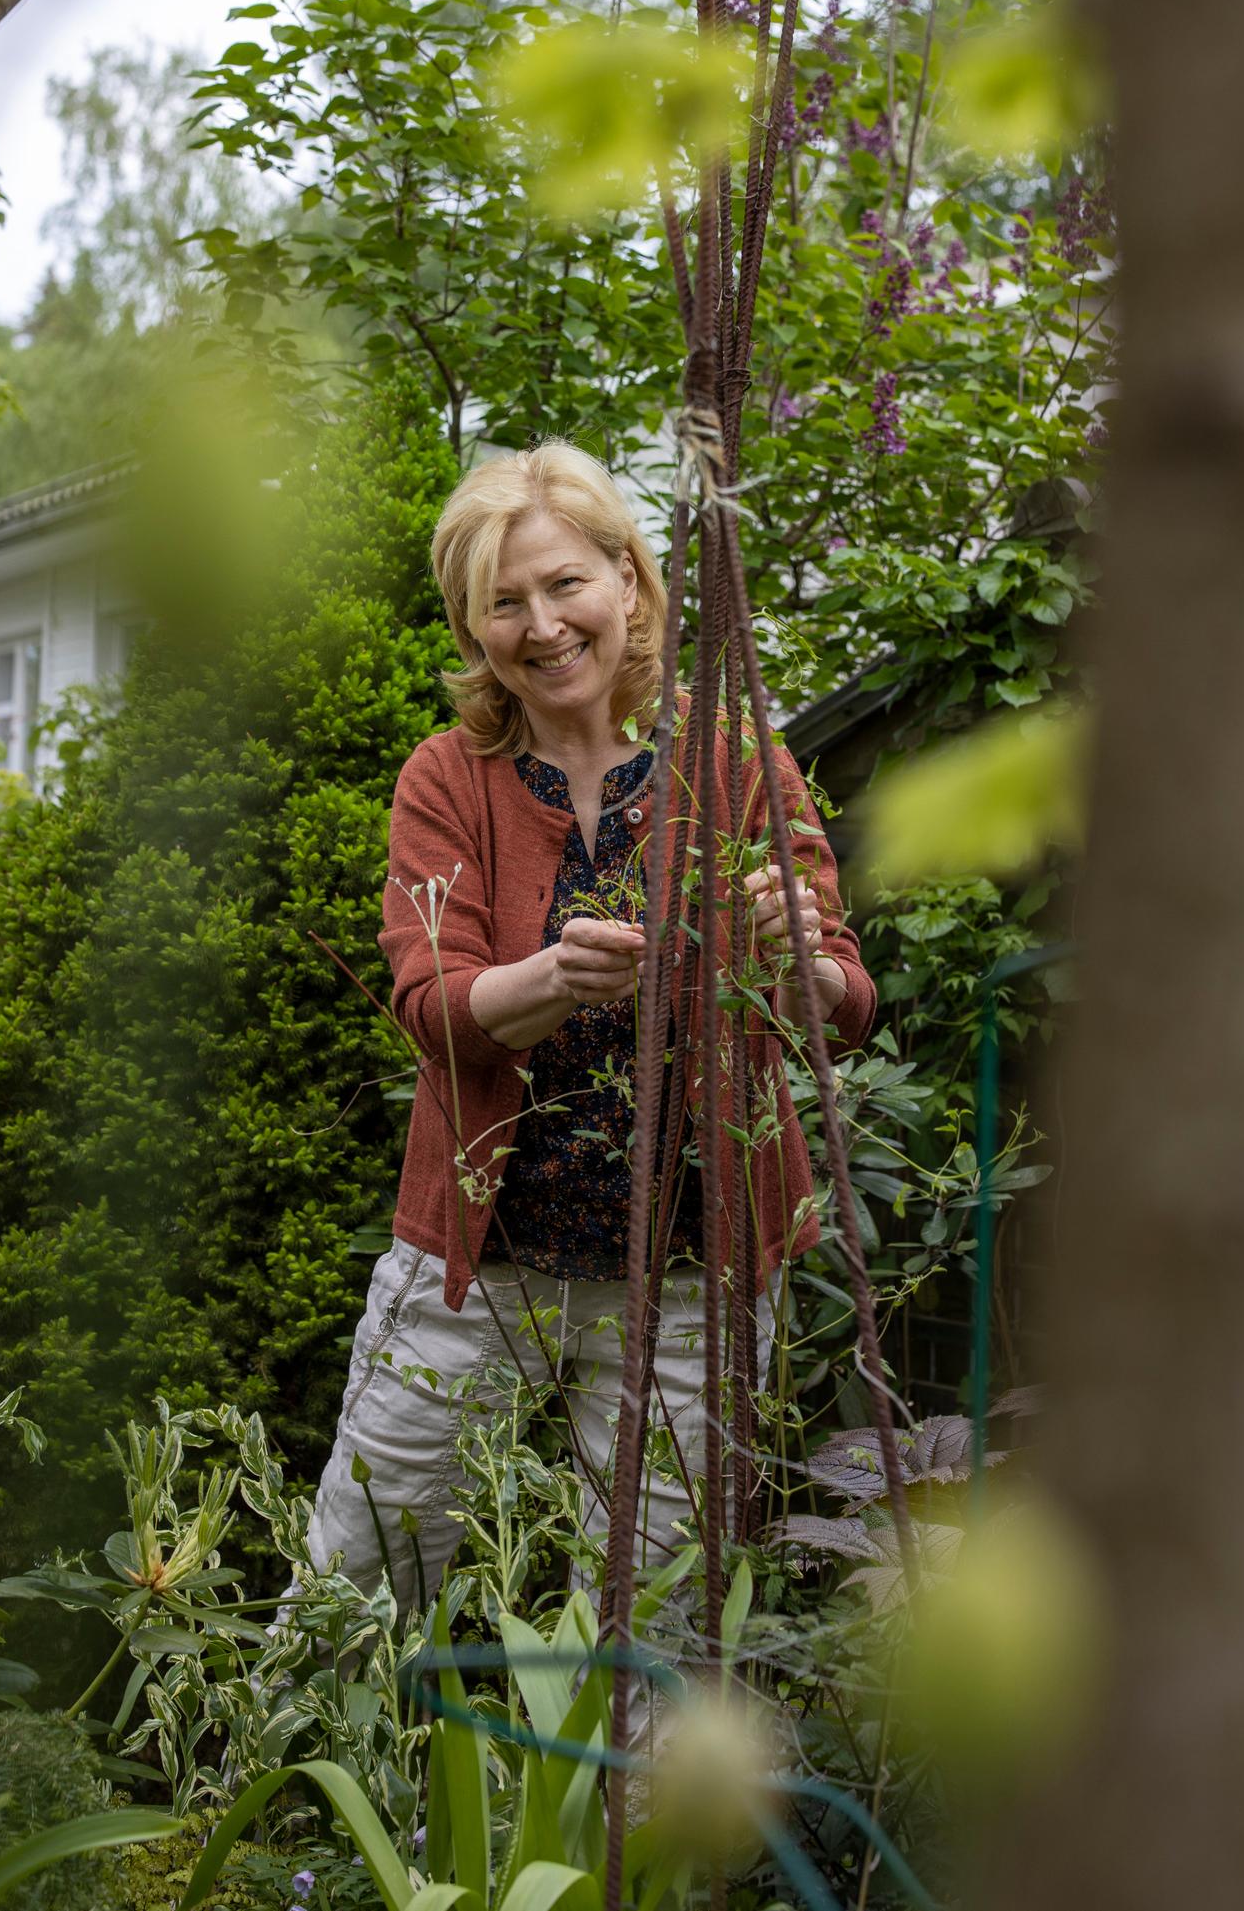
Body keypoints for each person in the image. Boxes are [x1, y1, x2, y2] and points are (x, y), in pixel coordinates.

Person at [300, 438, 877, 1623]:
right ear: (474, 631)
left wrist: (792, 956)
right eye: (502, 602)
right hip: (481, 1266)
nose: (542, 623)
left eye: (565, 584)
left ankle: (595, 1815)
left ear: (629, 582)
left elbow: (847, 996)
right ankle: (281, 1809)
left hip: (683, 1275)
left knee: (646, 1627)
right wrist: (553, 977)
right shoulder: (447, 779)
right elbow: (429, 1003)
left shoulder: (732, 762)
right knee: (359, 1584)